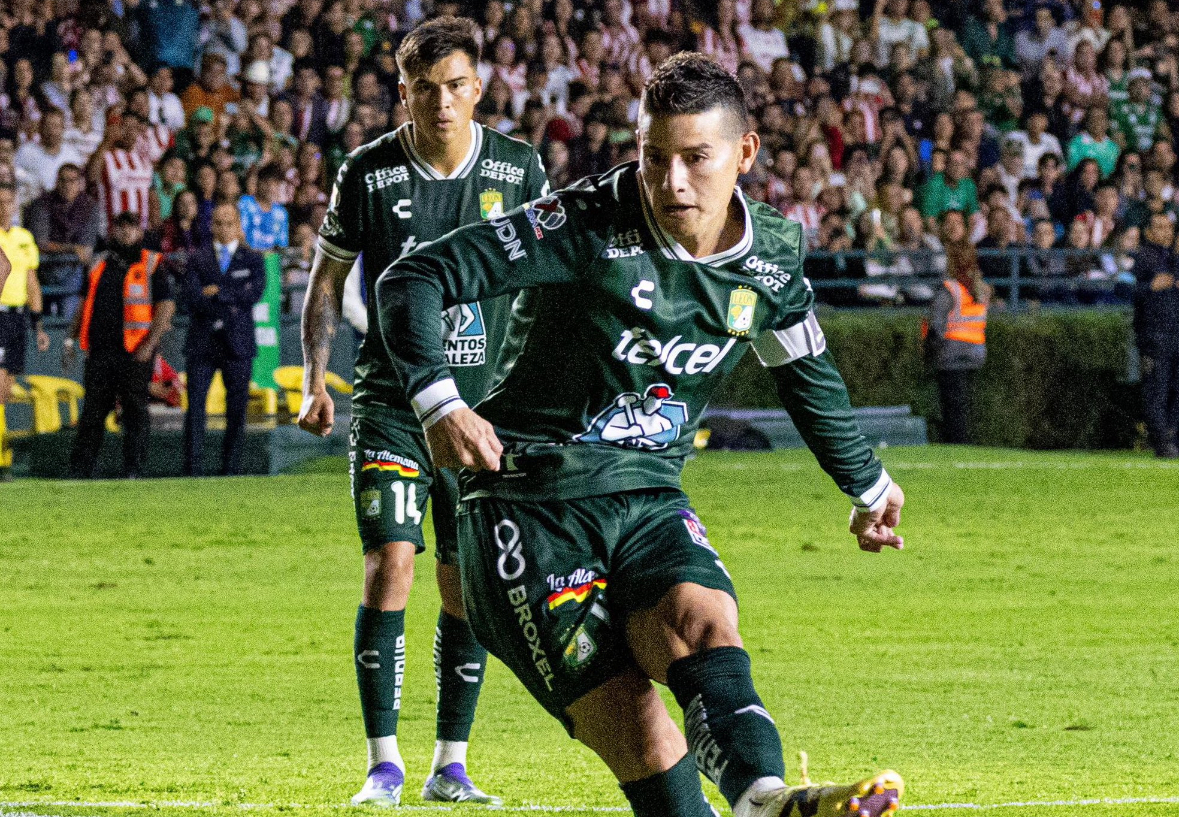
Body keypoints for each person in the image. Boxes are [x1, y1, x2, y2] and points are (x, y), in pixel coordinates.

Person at [375, 52, 906, 817]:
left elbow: (805, 373)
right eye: (654, 157)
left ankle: (764, 798)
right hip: (526, 504)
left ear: (745, 152)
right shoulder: (582, 223)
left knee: (705, 625)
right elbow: (414, 277)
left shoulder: (770, 260)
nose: (671, 181)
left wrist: (867, 484)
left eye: (695, 158)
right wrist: (439, 404)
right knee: (647, 737)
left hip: (648, 493)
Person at [297, 17, 549, 807]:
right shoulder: (367, 172)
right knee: (390, 563)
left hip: (483, 413)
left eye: (456, 86)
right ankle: (382, 764)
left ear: (479, 88)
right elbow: (326, 282)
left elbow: (550, 283)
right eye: (425, 89)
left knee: (464, 584)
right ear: (402, 93)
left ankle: (451, 763)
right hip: (392, 405)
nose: (442, 103)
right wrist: (314, 380)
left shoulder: (518, 168)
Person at [65, 213, 175, 479]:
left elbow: (166, 306)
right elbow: (83, 303)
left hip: (135, 351)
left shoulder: (151, 263)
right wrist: (69, 339)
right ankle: (82, 468)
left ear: (140, 231)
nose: (126, 232)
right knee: (93, 411)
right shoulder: (98, 262)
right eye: (121, 227)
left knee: (134, 410)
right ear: (113, 231)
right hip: (101, 349)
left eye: (132, 227)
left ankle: (133, 469)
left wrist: (150, 344)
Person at [182, 202, 265, 476]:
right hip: (202, 342)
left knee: (237, 409)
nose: (224, 228)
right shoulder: (197, 258)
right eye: (218, 222)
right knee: (196, 407)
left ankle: (231, 468)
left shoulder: (252, 259)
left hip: (238, 343)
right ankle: (193, 468)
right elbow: (192, 296)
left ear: (238, 225)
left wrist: (218, 292)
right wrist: (232, 297)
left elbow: (254, 294)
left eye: (229, 223)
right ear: (211, 225)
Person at [0, 184, 48, 481]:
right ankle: (2, 458)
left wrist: (38, 324)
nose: (4, 207)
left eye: (8, 201)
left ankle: (3, 455)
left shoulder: (23, 238)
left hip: (18, 318)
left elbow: (32, 282)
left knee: (7, 388)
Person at [925, 242, 990, 444]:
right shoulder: (981, 289)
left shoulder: (950, 289)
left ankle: (956, 442)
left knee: (952, 408)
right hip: (976, 354)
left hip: (951, 355)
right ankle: (967, 441)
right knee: (968, 407)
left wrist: (929, 350)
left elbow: (937, 325)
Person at [24, 163, 99, 320]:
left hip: (72, 271)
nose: (67, 185)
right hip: (43, 271)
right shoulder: (42, 203)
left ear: (80, 183)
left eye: (72, 181)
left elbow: (86, 249)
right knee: (40, 318)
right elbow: (40, 243)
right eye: (63, 180)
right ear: (56, 182)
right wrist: (72, 249)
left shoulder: (89, 206)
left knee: (69, 318)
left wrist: (66, 249)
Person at [1132, 212, 1179, 457]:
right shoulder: (1141, 258)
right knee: (1157, 389)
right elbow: (1123, 288)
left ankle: (1172, 436)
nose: (1166, 232)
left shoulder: (1174, 259)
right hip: (1154, 335)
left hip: (1175, 334)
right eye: (1159, 227)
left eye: (1169, 227)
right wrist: (1150, 286)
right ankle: (1161, 440)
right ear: (1148, 232)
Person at [238, 164, 289, 251]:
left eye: (275, 183)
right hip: (246, 255)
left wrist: (269, 255)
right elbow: (239, 236)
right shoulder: (245, 203)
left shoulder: (281, 213)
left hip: (271, 257)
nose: (270, 187)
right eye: (266, 182)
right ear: (258, 182)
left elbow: (282, 245)